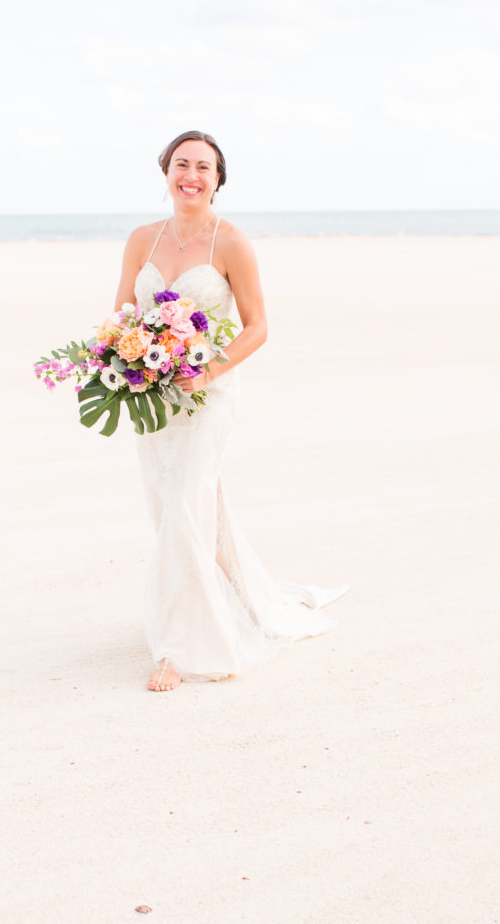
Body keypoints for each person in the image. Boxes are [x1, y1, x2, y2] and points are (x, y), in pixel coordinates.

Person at [114, 130, 346, 692]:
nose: (191, 175)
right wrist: (121, 359)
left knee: (188, 507)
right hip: (154, 398)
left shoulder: (232, 242)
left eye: (204, 167)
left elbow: (258, 326)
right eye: (181, 164)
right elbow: (122, 310)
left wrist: (208, 370)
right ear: (166, 170)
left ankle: (177, 648)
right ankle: (246, 601)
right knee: (171, 508)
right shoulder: (142, 239)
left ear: (218, 180)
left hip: (208, 395)